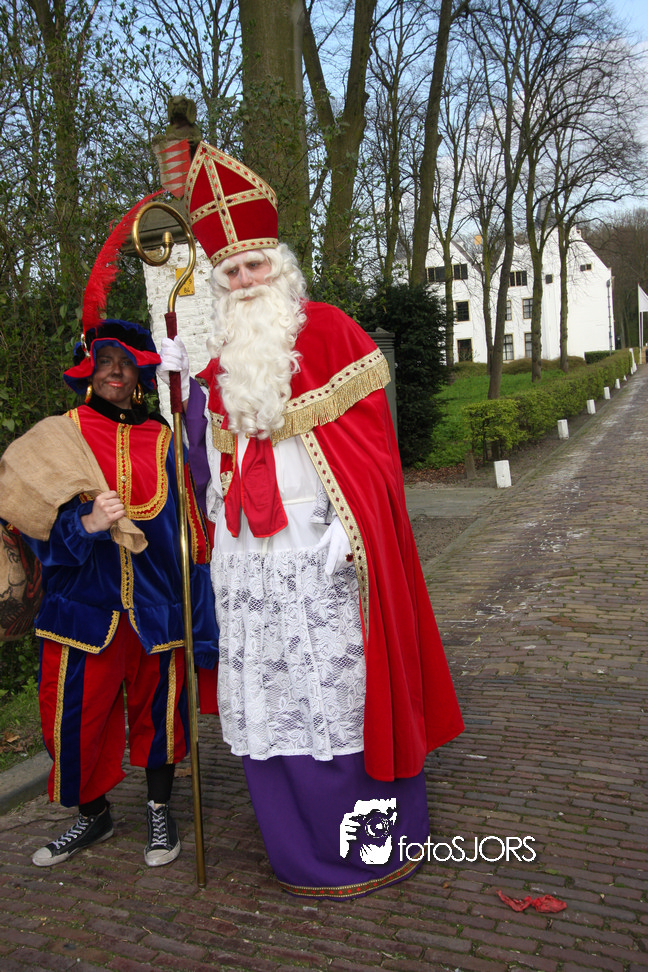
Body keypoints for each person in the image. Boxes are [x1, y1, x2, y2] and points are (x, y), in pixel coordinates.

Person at [158, 142, 464, 898]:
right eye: (231, 273)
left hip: (320, 547)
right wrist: (181, 388)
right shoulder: (217, 360)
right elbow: (207, 464)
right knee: (271, 698)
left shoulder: (328, 331)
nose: (244, 281)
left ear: (281, 266)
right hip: (248, 561)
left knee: (337, 695)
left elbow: (372, 454)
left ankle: (372, 841)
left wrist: (348, 528)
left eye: (254, 265)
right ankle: (297, 846)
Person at [0, 218, 218, 869]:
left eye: (127, 364)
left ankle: (159, 811)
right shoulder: (59, 434)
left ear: (142, 374)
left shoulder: (164, 438)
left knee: (162, 718)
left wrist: (200, 615)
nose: (116, 372)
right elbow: (32, 527)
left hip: (156, 608)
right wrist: (85, 525)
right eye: (105, 363)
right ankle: (92, 816)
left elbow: (188, 533)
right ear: (88, 372)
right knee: (74, 719)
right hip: (82, 609)